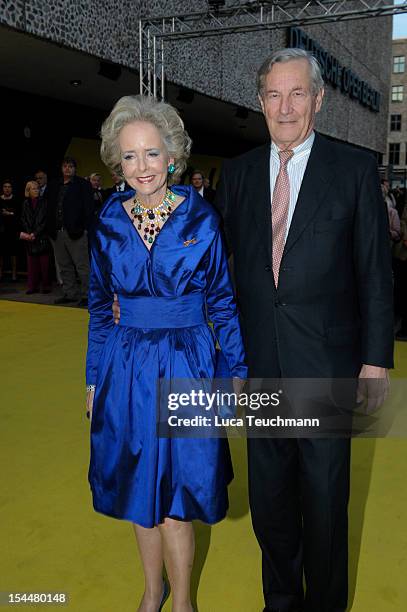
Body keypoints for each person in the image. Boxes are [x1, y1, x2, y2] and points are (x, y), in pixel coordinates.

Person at [215, 48, 394, 612]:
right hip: (260, 368)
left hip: (327, 365)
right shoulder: (239, 174)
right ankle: (281, 600)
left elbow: (374, 272)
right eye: (273, 94)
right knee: (269, 502)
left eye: (297, 93)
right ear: (260, 101)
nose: (285, 105)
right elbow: (218, 274)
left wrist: (375, 359)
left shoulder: (354, 169)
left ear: (318, 99)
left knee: (323, 502)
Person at [86, 94, 246, 612]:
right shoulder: (108, 222)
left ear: (172, 157)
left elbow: (223, 303)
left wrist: (237, 373)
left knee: (176, 502)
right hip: (126, 365)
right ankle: (152, 592)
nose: (141, 168)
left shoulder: (202, 221)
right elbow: (97, 307)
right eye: (129, 157)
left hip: (187, 363)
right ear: (117, 162)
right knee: (140, 495)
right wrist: (93, 379)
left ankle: (184, 604)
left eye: (152, 154)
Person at [46, 157, 94, 307]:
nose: (67, 169)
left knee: (82, 266)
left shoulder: (83, 185)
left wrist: (85, 229)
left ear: (75, 169)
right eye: (65, 166)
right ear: (61, 168)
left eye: (70, 166)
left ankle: (88, 295)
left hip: (76, 232)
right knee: (64, 266)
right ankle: (70, 293)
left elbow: (89, 209)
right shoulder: (54, 185)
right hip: (57, 232)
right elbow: (47, 207)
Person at [20, 180, 51, 294]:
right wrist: (29, 233)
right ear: (28, 191)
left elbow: (44, 220)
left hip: (41, 236)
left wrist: (35, 233)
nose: (36, 191)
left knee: (44, 264)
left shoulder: (44, 202)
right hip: (30, 237)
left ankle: (46, 286)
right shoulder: (25, 203)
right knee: (32, 264)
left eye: (37, 188)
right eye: (34, 189)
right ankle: (32, 286)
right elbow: (23, 219)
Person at [0, 179, 19, 281]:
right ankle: (0, 272)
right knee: (1, 252)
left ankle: (14, 274)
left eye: (9, 187)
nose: (7, 189)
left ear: (12, 189)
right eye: (5, 187)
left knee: (13, 252)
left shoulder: (16, 200)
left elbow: (18, 214)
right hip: (1, 230)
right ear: (2, 188)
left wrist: (10, 214)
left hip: (12, 230)